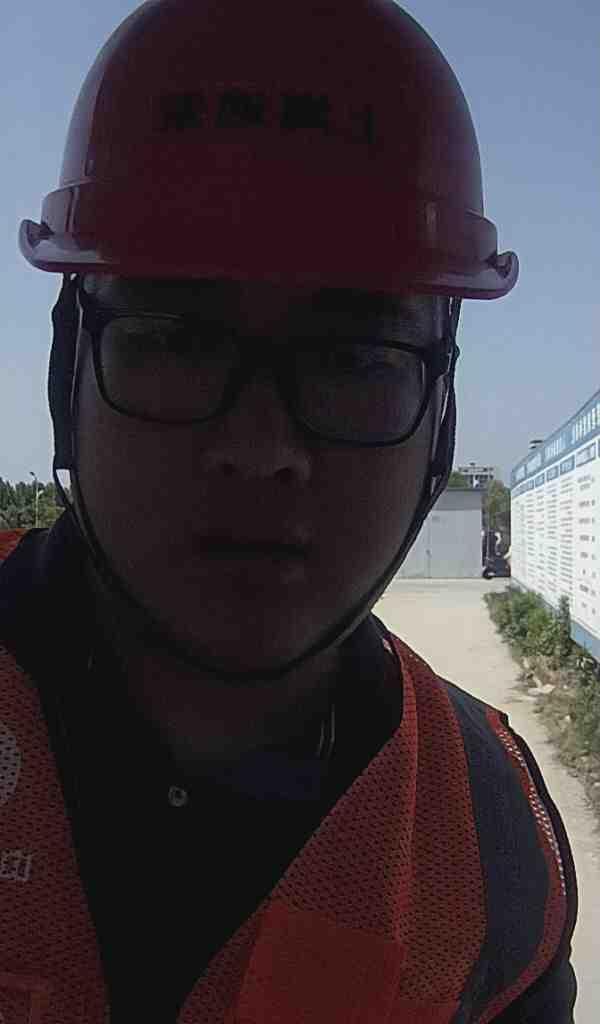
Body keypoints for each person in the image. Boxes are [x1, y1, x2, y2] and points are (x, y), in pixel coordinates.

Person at [1, 2, 577, 1022]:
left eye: (354, 357)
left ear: (440, 400)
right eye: (177, 338)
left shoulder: (493, 847)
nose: (261, 447)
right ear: (68, 366)